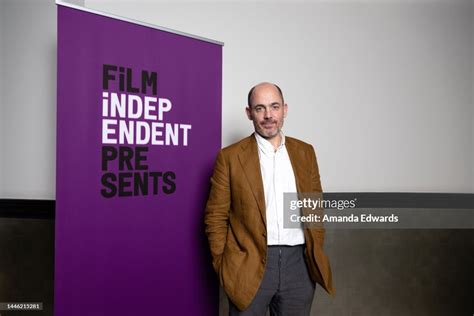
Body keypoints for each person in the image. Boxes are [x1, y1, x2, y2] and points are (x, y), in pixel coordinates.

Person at [204, 82, 334, 315]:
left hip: (299, 266)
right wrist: (224, 265)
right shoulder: (230, 157)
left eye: (274, 107)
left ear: (285, 109)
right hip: (248, 264)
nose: (268, 115)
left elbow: (315, 208)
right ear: (249, 113)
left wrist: (314, 247)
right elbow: (215, 216)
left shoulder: (305, 152)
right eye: (259, 108)